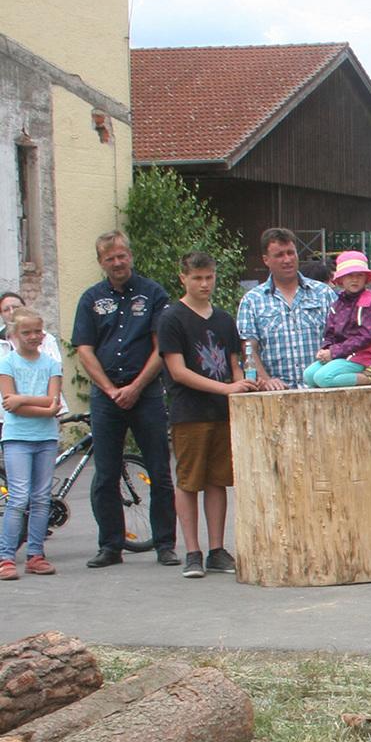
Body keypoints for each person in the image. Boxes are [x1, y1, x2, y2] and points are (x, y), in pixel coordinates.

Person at [70, 231, 179, 566]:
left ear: (130, 255)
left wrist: (135, 387)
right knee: (106, 472)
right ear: (101, 262)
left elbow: (162, 347)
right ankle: (110, 545)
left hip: (145, 392)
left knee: (159, 470)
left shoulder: (153, 294)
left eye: (122, 256)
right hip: (107, 396)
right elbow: (84, 349)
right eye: (109, 258)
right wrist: (111, 389)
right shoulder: (91, 299)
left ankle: (164, 544)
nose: (117, 263)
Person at [154, 252, 253, 579]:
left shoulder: (224, 319)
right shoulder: (171, 318)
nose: (204, 284)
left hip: (221, 412)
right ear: (183, 277)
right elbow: (178, 371)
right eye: (197, 278)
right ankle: (192, 551)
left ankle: (216, 549)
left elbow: (234, 363)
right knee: (189, 480)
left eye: (209, 277)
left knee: (218, 480)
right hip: (189, 411)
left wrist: (241, 384)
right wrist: (225, 389)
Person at [0, 309, 62, 580]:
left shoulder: (50, 363)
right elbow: (10, 406)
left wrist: (23, 400)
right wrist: (42, 407)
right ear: (14, 335)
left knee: (40, 498)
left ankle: (36, 554)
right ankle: (6, 556)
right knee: (18, 497)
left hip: (46, 438)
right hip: (17, 438)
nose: (33, 337)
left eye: (37, 331)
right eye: (26, 332)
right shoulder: (7, 363)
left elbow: (54, 403)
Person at [236, 228, 335, 392]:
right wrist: (266, 380)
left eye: (291, 253)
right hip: (277, 394)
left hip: (321, 390)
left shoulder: (324, 294)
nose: (287, 259)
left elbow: (342, 337)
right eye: (279, 255)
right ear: (266, 260)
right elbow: (249, 348)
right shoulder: (252, 301)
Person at [302, 251, 371, 387]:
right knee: (308, 375)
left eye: (359, 275)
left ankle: (370, 378)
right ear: (341, 279)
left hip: (360, 356)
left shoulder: (370, 303)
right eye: (349, 275)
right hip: (339, 355)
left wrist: (334, 352)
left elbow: (365, 337)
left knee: (323, 378)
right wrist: (325, 350)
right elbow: (330, 333)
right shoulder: (338, 303)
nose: (354, 280)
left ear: (366, 278)